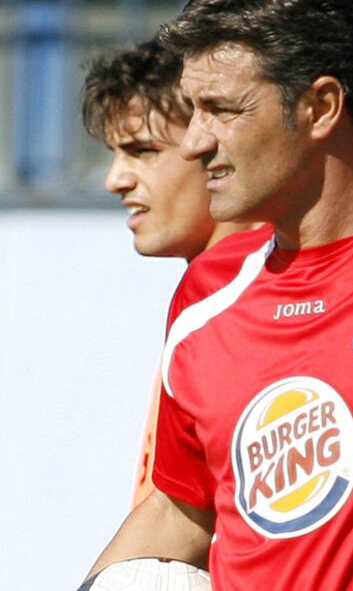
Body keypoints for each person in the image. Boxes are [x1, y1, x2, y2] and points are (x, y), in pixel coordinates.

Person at [81, 0, 353, 590]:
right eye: (193, 109)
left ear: (320, 107)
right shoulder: (208, 293)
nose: (197, 141)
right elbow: (178, 509)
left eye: (222, 110)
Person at [80, 36, 269, 560]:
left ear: (210, 147)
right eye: (115, 154)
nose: (116, 180)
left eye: (142, 151)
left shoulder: (258, 291)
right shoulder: (207, 289)